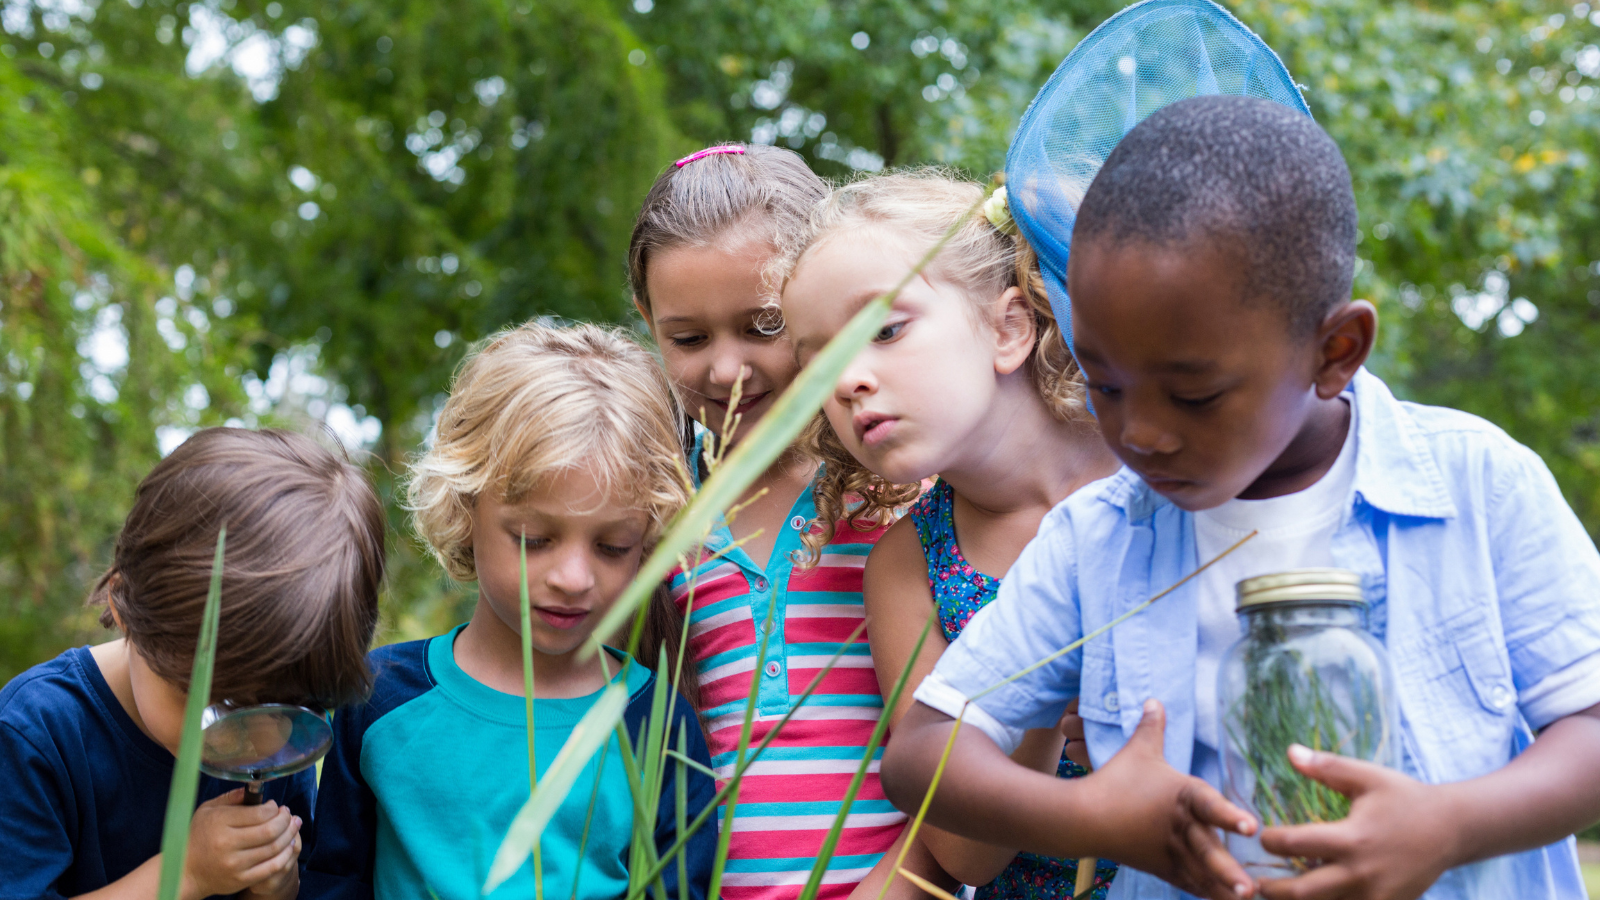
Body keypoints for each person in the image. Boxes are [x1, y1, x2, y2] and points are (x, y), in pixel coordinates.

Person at [880, 95, 1600, 900]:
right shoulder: (1096, 537)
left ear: (1336, 351)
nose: (1141, 433)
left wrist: (1451, 824)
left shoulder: (1477, 483)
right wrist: (1095, 817)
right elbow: (921, 753)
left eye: (1193, 395)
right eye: (1107, 384)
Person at [778, 170, 1122, 900]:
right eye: (819, 366)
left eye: (886, 330)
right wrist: (1043, 691)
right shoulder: (909, 566)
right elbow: (962, 855)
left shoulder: (1156, 477)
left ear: (1008, 328)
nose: (849, 381)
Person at [301, 322, 716, 900]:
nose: (573, 579)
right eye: (533, 538)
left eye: (612, 546)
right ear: (465, 508)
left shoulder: (655, 721)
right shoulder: (377, 703)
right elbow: (333, 882)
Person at [629, 144, 941, 900]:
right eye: (689, 338)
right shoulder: (651, 522)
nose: (726, 370)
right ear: (648, 322)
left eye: (763, 326)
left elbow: (949, 760)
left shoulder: (908, 495)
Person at [0, 427, 386, 900]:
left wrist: (275, 888)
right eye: (215, 697)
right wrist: (186, 872)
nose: (246, 736)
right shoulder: (36, 733)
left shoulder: (279, 746)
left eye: (280, 706)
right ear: (125, 609)